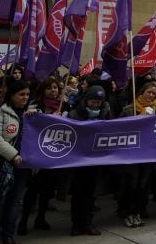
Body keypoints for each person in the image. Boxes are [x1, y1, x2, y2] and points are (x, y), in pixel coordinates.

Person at [18, 78, 67, 235]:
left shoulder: (64, 106)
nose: (53, 90)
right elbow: (25, 124)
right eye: (49, 88)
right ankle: (23, 220)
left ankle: (41, 218)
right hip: (36, 155)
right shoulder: (34, 105)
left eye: (55, 88)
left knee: (47, 190)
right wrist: (29, 114)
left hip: (54, 155)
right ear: (42, 90)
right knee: (32, 190)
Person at [0, 81, 32, 244]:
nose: (25, 98)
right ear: (11, 96)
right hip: (4, 166)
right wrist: (13, 155)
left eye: (28, 95)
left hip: (23, 167)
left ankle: (8, 235)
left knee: (15, 202)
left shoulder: (30, 115)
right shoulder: (0, 114)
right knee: (0, 201)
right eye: (21, 94)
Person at [68, 85, 112, 236]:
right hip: (78, 160)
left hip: (95, 159)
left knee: (90, 193)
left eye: (99, 102)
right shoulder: (74, 114)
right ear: (86, 101)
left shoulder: (105, 113)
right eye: (93, 101)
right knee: (78, 193)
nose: (96, 105)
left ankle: (87, 223)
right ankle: (76, 224)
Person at [117, 81, 156, 227]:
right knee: (131, 184)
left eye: (154, 93)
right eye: (149, 92)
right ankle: (126, 212)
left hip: (148, 154)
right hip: (132, 154)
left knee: (143, 185)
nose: (151, 95)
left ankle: (137, 212)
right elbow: (118, 129)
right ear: (141, 92)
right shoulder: (129, 110)